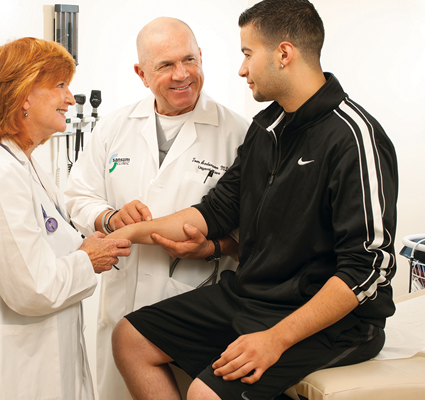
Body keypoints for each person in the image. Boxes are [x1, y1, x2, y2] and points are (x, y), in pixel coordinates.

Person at [108, 1, 398, 399]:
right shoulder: (267, 127)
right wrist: (120, 235)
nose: (242, 69)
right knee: (129, 338)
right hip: (256, 296)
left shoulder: (353, 137)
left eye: (248, 54)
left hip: (335, 320)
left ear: (283, 54)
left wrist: (275, 339)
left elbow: (368, 268)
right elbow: (215, 211)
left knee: (204, 393)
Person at [64, 17, 249, 399]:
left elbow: (257, 232)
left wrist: (216, 247)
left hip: (196, 304)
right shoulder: (114, 127)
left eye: (189, 60)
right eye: (166, 65)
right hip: (122, 301)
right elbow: (78, 195)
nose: (182, 74)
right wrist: (109, 217)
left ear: (201, 57)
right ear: (141, 73)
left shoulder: (239, 134)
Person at [0, 37, 131, 400]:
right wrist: (87, 259)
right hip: (24, 368)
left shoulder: (26, 164)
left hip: (47, 355)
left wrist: (90, 244)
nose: (71, 99)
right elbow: (33, 288)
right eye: (60, 85)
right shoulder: (5, 174)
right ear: (24, 95)